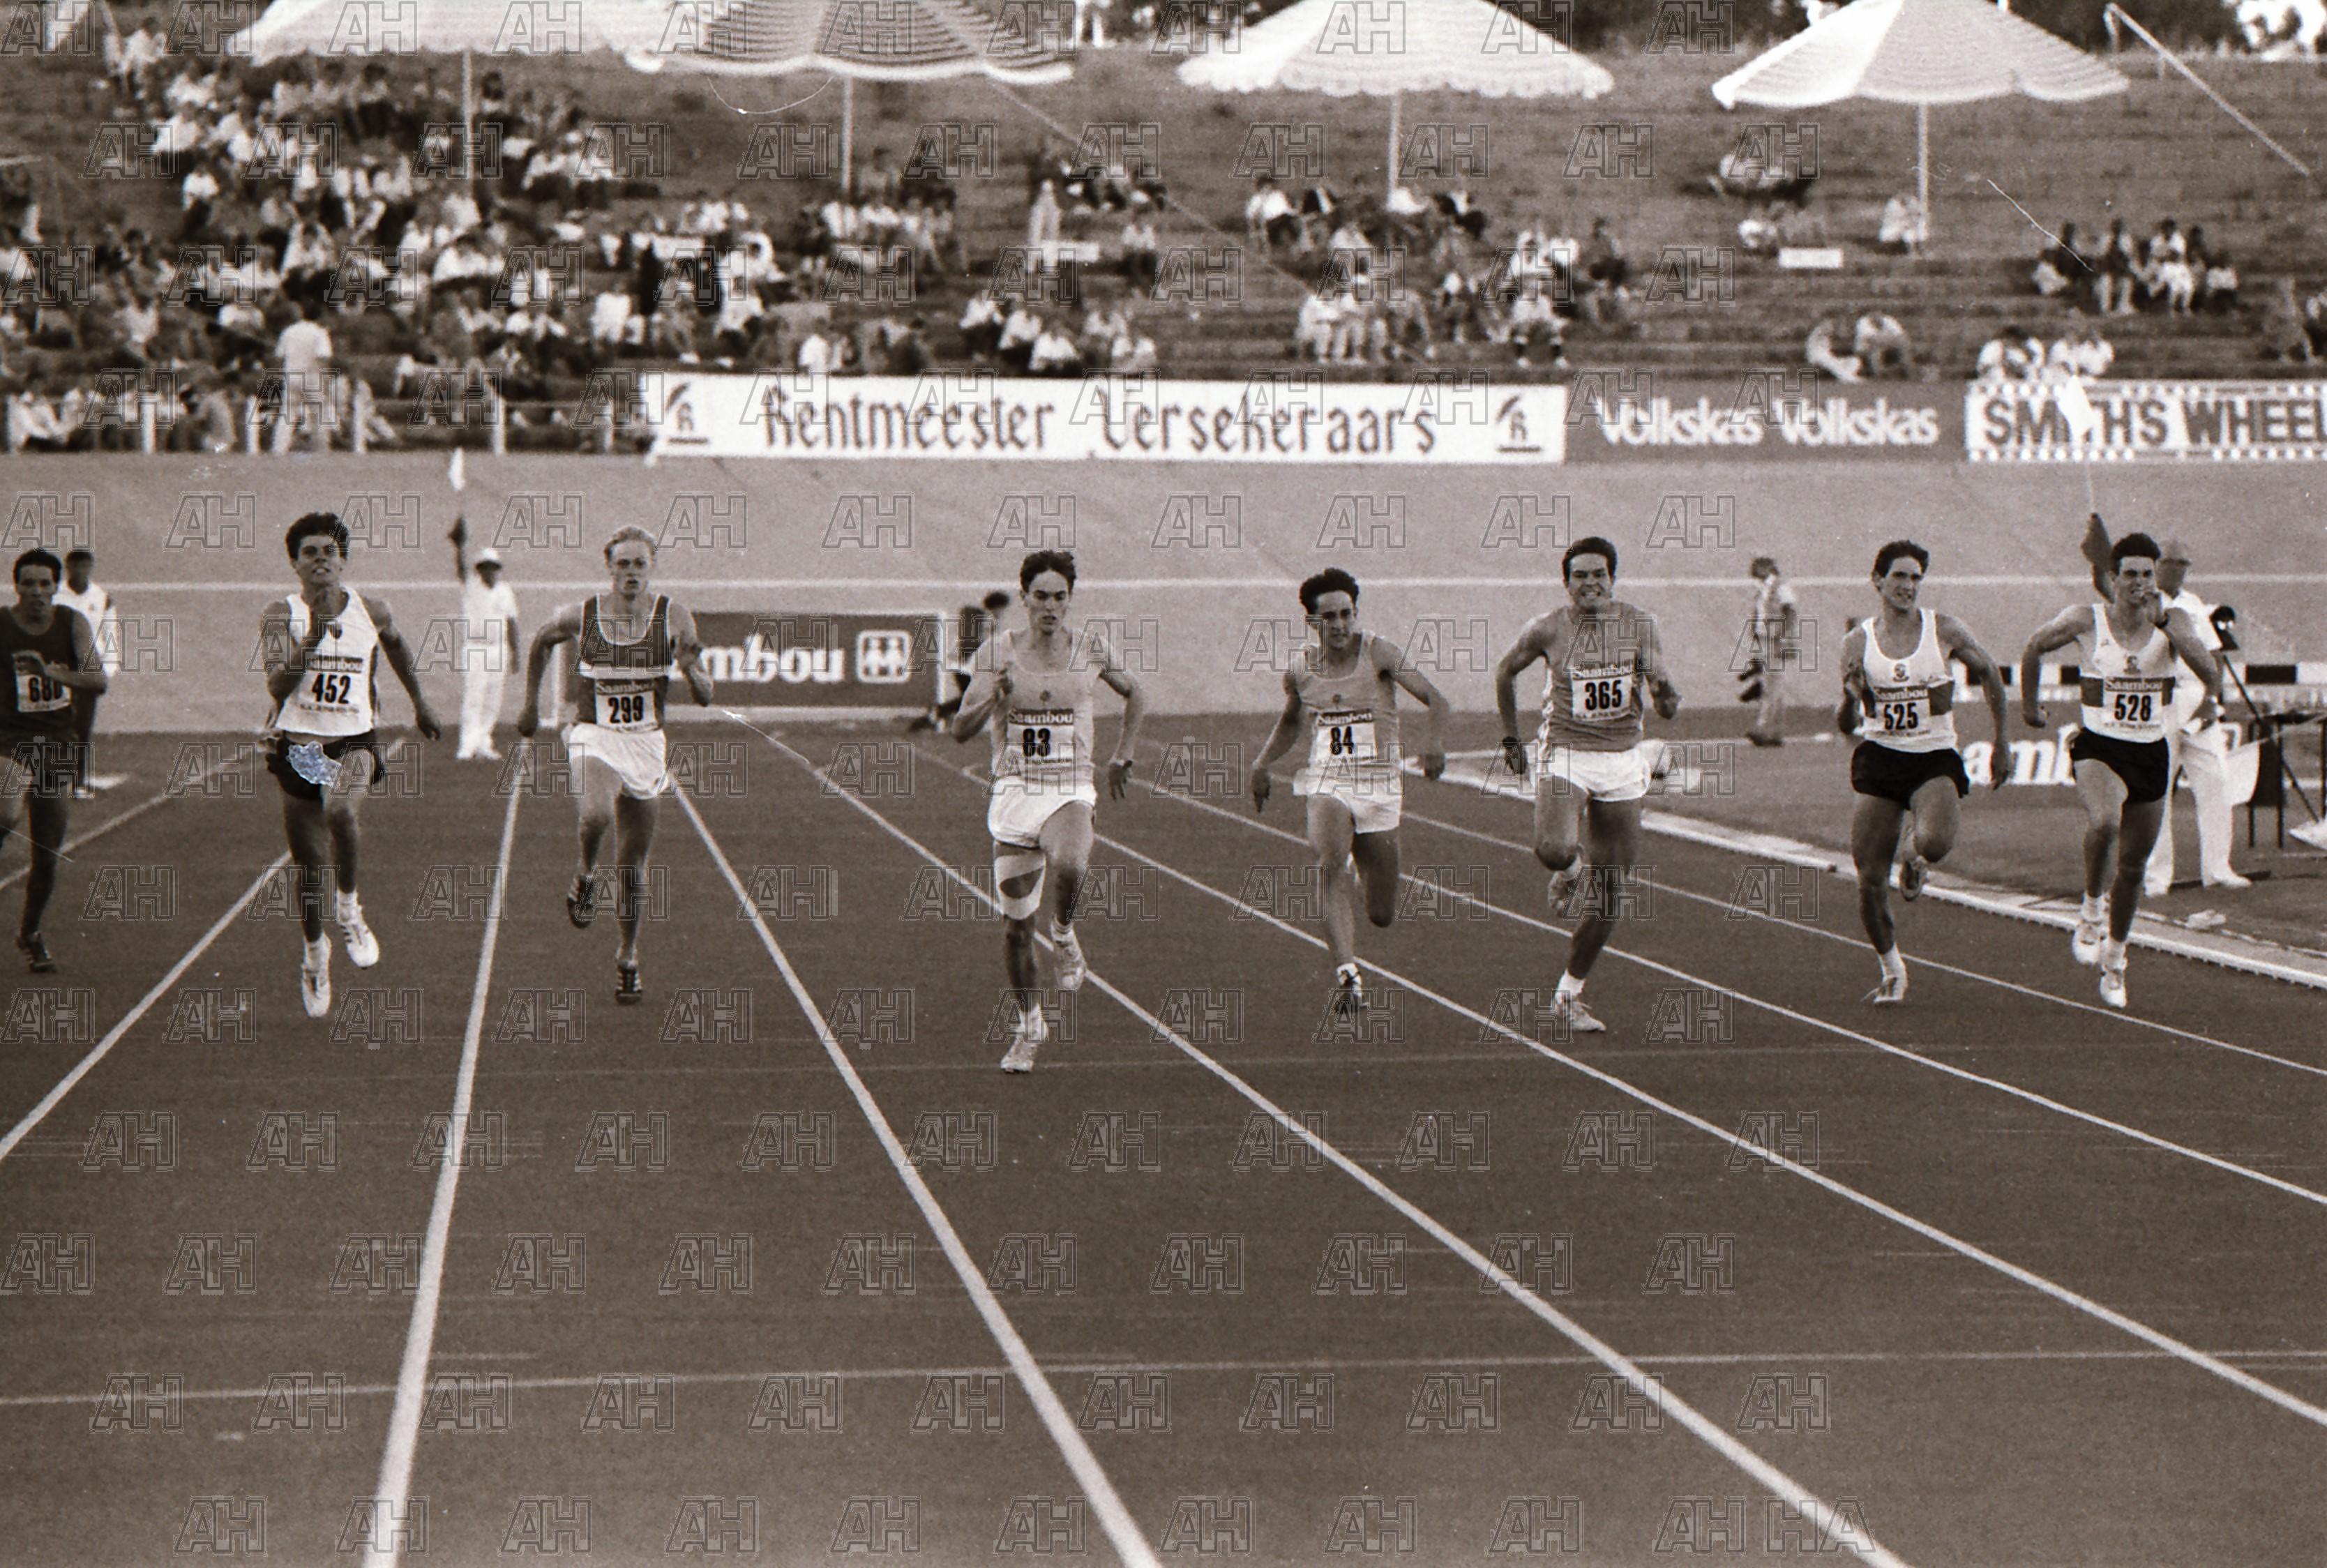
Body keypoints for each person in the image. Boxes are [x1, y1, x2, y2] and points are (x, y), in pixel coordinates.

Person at [951, 550, 1145, 1072]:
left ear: (1070, 600)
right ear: (1025, 598)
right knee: (1016, 930)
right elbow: (960, 730)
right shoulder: (998, 654)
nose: (1051, 607)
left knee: (1071, 863)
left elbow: (1136, 693)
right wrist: (993, 698)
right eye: (1041, 596)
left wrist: (1123, 753)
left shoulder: (1090, 649)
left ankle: (1063, 933)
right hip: (1016, 793)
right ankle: (1030, 1026)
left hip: (1069, 787)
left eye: (1060, 597)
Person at [2019, 532, 2222, 1009]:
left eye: (2147, 574)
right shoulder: (2085, 619)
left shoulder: (2176, 620)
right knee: (2106, 822)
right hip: (2100, 746)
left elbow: (2210, 673)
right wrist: (2030, 706)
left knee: (2132, 868)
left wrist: (2167, 624)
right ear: (2112, 579)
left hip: (2150, 750)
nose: (2139, 583)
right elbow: (2033, 647)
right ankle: (2091, 907)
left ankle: (2115, 959)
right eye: (2130, 574)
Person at [516, 526, 714, 1004]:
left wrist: (692, 670)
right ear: (609, 568)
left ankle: (627, 957)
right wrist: (530, 706)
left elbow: (706, 694)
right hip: (595, 735)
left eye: (639, 564)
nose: (631, 573)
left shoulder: (674, 616)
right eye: (622, 564)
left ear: (652, 567)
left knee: (632, 869)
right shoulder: (584, 615)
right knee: (596, 814)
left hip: (645, 744)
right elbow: (541, 641)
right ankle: (585, 874)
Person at [1493, 536, 1682, 1033]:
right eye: (1581, 576)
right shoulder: (1547, 628)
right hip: (1567, 754)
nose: (1590, 583)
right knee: (1553, 849)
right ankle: (1571, 869)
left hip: (1621, 758)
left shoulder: (1640, 625)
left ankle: (1569, 995)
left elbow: (1666, 705)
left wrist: (1666, 693)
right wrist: (1511, 739)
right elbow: (1505, 672)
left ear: (1613, 579)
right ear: (1567, 583)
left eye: (1599, 574)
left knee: (1612, 894)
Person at [260, 513, 442, 1017]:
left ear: (344, 560)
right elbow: (277, 685)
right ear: (295, 563)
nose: (321, 560)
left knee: (342, 812)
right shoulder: (280, 614)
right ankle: (315, 955)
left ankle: (350, 909)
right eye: (310, 553)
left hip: (354, 739)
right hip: (299, 745)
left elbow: (397, 646)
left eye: (329, 552)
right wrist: (315, 636)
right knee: (309, 866)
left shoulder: (371, 609)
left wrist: (420, 702)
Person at [1247, 570, 1450, 1015]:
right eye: (1329, 617)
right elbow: (1291, 721)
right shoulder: (1301, 670)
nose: (1340, 625)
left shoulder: (1379, 653)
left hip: (1379, 787)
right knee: (1329, 863)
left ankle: (1360, 865)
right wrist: (1262, 763)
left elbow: (1437, 699)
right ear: (1311, 622)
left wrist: (1434, 744)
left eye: (1346, 614)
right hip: (1328, 780)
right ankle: (1347, 974)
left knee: (1381, 913)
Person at [1835, 541, 2010, 1004]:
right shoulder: (1857, 643)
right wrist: (1851, 697)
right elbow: (1846, 723)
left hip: (1933, 756)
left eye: (1916, 578)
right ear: (1877, 581)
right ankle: (1892, 969)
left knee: (1935, 843)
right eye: (1899, 576)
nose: (1908, 586)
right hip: (1881, 756)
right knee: (1869, 880)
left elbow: (1990, 674)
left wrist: (2003, 742)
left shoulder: (1944, 629)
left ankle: (1913, 856)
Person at [0, 550, 107, 972]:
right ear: (17, 587)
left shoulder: (71, 623)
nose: (37, 592)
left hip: (57, 745)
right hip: (10, 741)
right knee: (6, 813)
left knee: (47, 856)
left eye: (45, 584)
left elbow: (97, 680)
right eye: (28, 583)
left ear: (55, 587)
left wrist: (50, 672)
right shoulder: (3, 625)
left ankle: (30, 932)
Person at [52, 548, 119, 799]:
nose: (80, 571)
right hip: (61, 663)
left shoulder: (102, 597)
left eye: (84, 566)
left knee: (82, 725)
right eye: (75, 566)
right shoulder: (55, 594)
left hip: (89, 666)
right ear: (68, 568)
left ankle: (77, 782)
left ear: (90, 568)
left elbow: (110, 634)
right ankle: (50, 777)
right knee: (56, 721)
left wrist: (108, 668)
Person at [449, 517, 519, 761]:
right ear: (479, 570)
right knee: (474, 697)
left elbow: (512, 622)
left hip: (498, 650)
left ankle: (484, 742)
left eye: (494, 567)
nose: (490, 571)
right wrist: (459, 545)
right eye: (485, 567)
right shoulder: (472, 586)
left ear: (498, 569)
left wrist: (515, 654)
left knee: (493, 698)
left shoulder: (505, 591)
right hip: (476, 648)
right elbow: (461, 569)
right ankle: (467, 745)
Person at [1743, 557, 1798, 746]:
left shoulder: (1780, 587)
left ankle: (1764, 729)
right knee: (1774, 687)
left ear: (1768, 568)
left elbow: (1790, 612)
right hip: (1766, 639)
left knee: (1771, 686)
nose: (1753, 570)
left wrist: (1784, 638)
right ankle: (1775, 732)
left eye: (1758, 566)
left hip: (1775, 640)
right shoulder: (1764, 588)